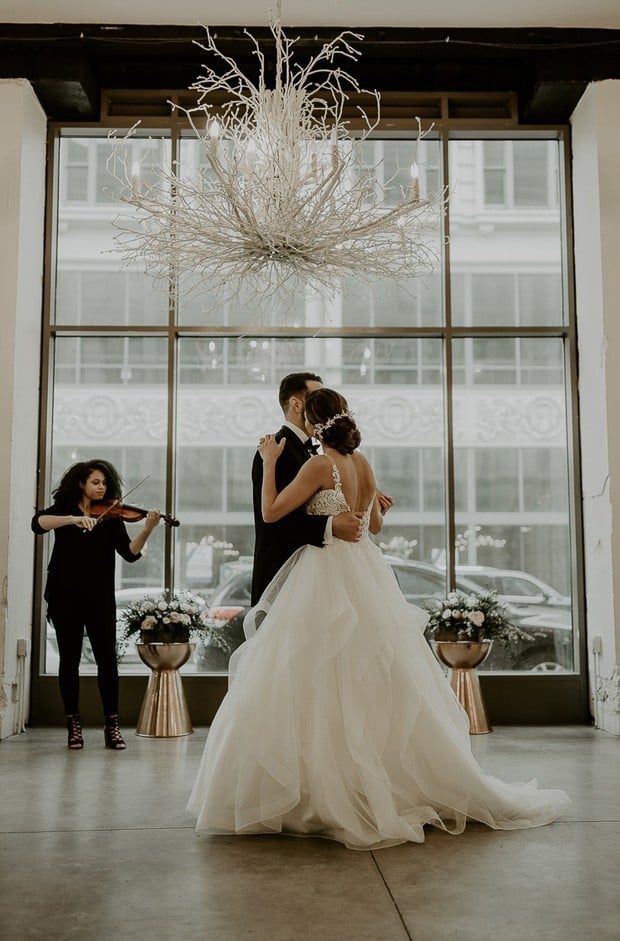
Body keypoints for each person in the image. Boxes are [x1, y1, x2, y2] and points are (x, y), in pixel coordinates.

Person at [187, 389, 569, 850]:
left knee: (316, 671)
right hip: (365, 569)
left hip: (326, 570)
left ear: (312, 420)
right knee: (371, 672)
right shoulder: (362, 464)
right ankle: (383, 779)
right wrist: (370, 509)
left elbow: (270, 513)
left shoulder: (317, 466)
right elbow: (374, 526)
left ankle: (323, 787)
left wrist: (269, 461)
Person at [32, 459, 161, 751]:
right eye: (95, 482)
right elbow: (37, 523)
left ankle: (111, 726)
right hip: (65, 595)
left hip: (99, 597)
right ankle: (73, 725)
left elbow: (129, 554)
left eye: (104, 483)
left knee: (107, 663)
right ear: (82, 484)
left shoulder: (113, 516)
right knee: (69, 661)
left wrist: (148, 529)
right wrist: (74, 520)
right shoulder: (63, 509)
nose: (101, 487)